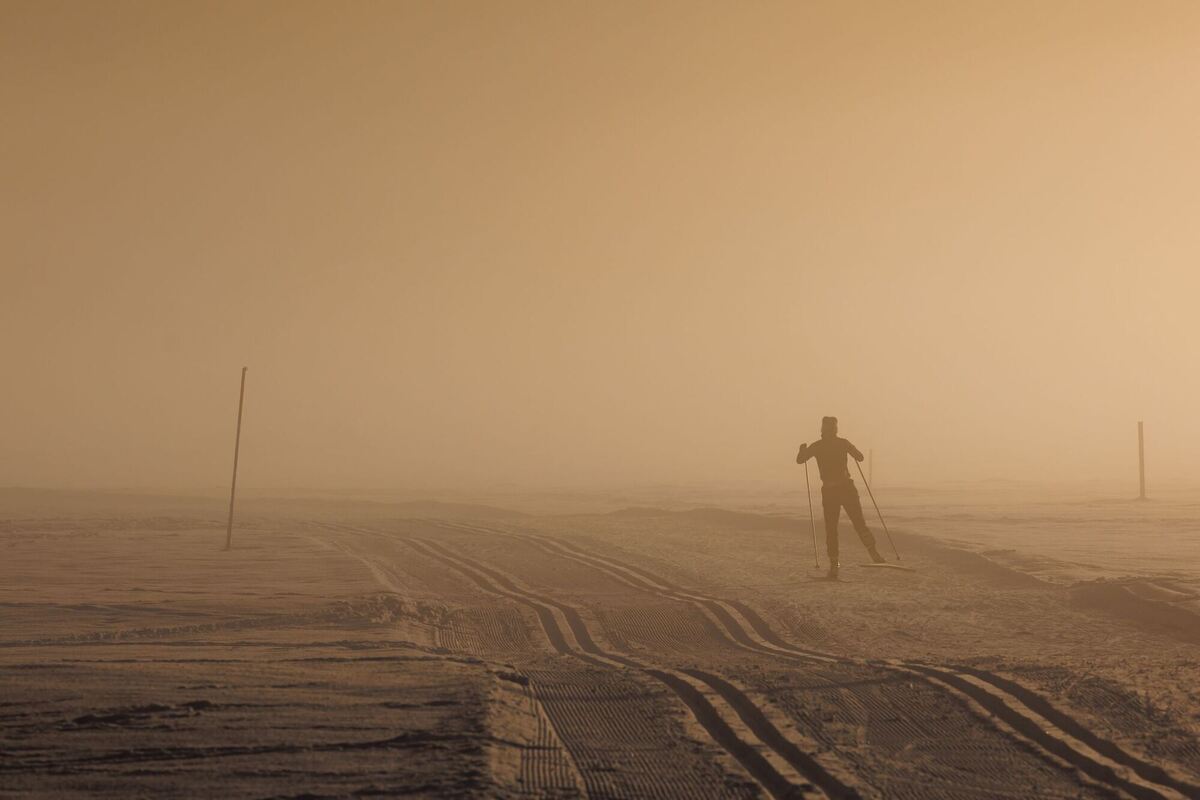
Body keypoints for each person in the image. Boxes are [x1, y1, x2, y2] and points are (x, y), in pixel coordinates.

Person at [796, 416, 885, 579]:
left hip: (831, 491)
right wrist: (853, 450)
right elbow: (860, 457)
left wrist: (802, 450)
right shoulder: (842, 443)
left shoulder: (818, 446)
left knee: (832, 529)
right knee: (858, 523)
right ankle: (874, 554)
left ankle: (835, 566)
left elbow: (800, 460)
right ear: (835, 429)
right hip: (845, 488)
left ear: (823, 429)